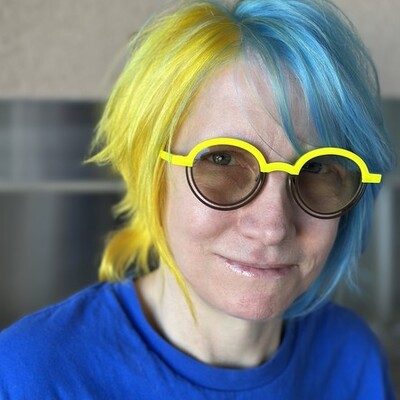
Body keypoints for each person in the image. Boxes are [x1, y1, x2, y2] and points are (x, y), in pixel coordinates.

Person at [0, 0, 396, 398]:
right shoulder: (28, 376)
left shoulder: (351, 358)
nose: (273, 227)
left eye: (317, 168)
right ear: (153, 172)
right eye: (223, 161)